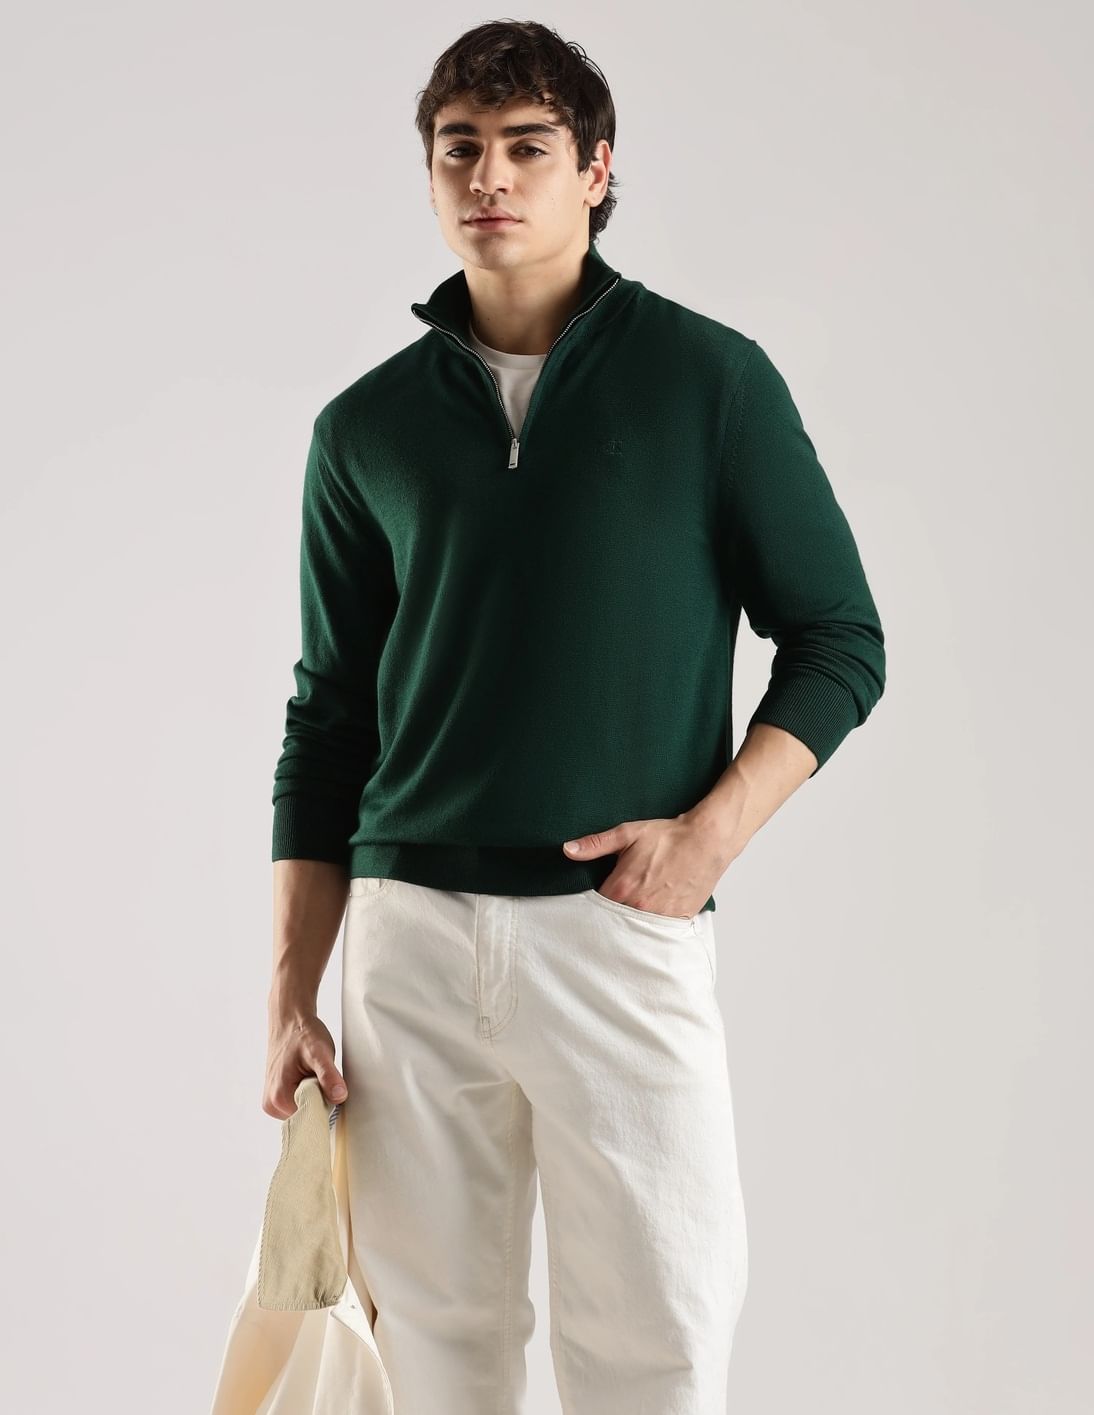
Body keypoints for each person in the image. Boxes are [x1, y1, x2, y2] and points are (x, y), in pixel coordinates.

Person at [261, 18, 886, 1415]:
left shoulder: (708, 382)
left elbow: (839, 637)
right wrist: (293, 993)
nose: (490, 177)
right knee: (429, 1352)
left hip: (617, 929)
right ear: (430, 173)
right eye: (460, 150)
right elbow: (329, 716)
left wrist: (707, 840)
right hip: (409, 943)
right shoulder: (362, 430)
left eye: (527, 147)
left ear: (596, 171)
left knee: (658, 1340)